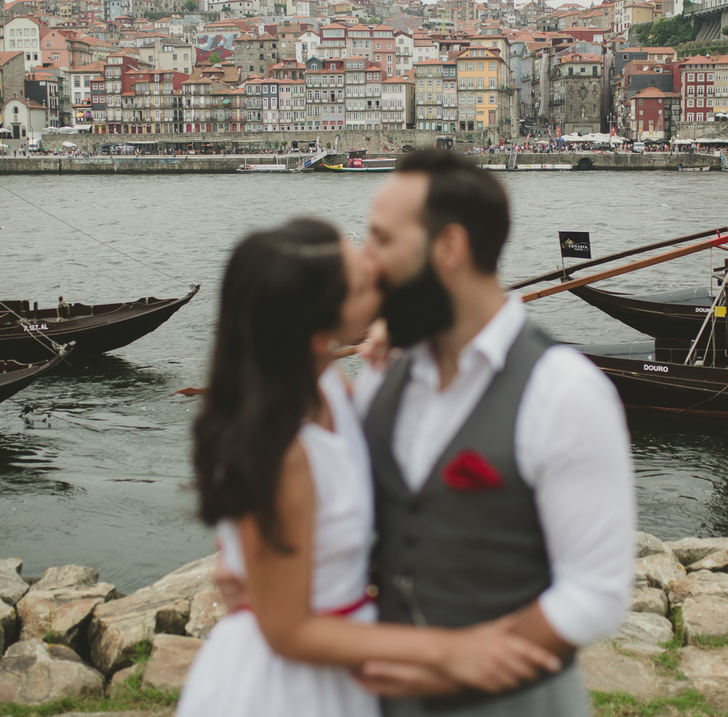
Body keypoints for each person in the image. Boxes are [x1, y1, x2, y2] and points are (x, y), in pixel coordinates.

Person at [177, 218, 561, 717]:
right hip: (290, 688)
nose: (378, 275)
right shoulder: (286, 450)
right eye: (362, 282)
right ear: (318, 333)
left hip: (345, 659)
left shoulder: (327, 385)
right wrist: (452, 652)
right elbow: (288, 630)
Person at [353, 150, 636, 716]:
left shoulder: (565, 392)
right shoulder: (380, 379)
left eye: (382, 241)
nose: (365, 263)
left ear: (449, 249)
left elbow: (596, 592)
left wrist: (450, 658)